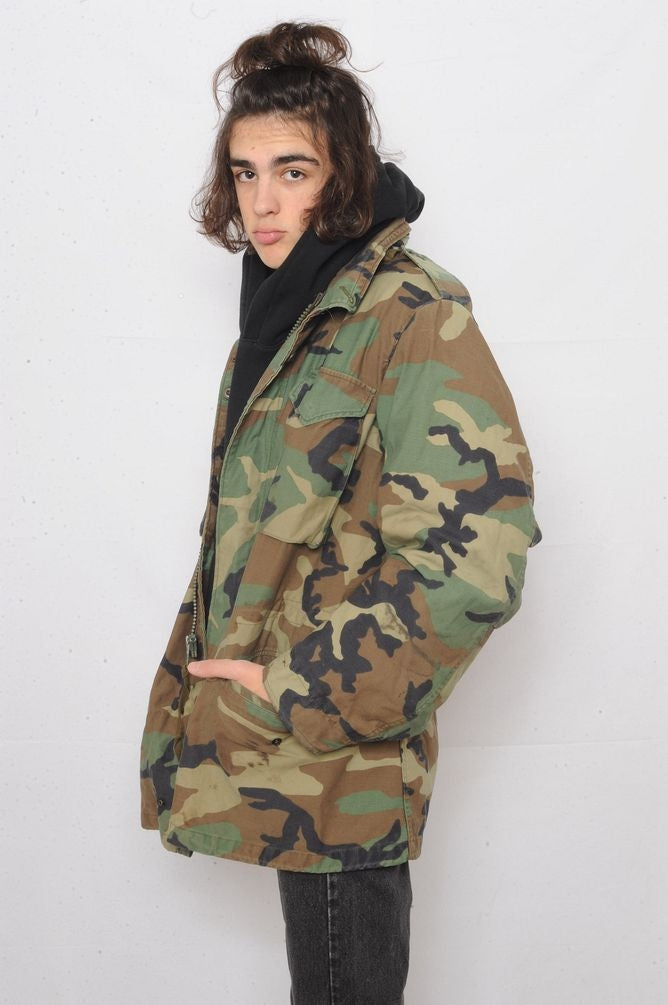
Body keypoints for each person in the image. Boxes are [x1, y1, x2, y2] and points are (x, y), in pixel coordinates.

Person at [140, 21, 540, 1004]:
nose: (263, 203)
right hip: (292, 753)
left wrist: (298, 690)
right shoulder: (289, 316)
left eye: (293, 171)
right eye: (244, 174)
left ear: (345, 173)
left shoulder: (408, 313)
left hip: (338, 756)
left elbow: (476, 562)